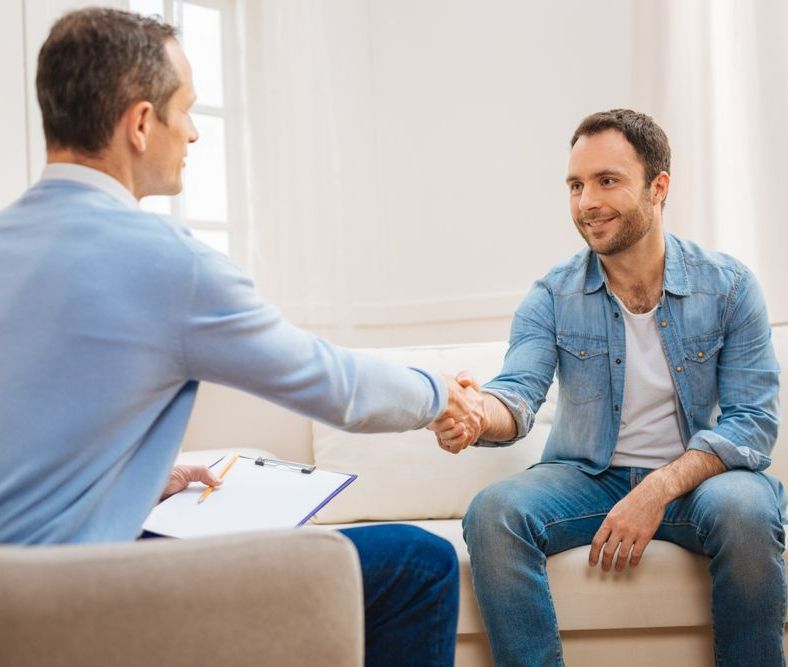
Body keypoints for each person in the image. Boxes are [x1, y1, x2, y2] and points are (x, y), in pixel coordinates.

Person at [0, 9, 487, 666]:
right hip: (78, 608)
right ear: (141, 124)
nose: (195, 133)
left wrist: (137, 479)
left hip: (14, 603)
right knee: (419, 562)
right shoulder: (169, 262)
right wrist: (438, 395)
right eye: (185, 110)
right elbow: (332, 385)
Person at [432, 109, 785, 666]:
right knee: (494, 511)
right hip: (585, 477)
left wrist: (655, 490)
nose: (586, 202)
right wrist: (478, 413)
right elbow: (517, 395)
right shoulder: (552, 294)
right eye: (575, 185)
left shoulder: (730, 286)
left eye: (607, 181)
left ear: (658, 187)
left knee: (747, 512)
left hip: (699, 481)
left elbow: (752, 424)